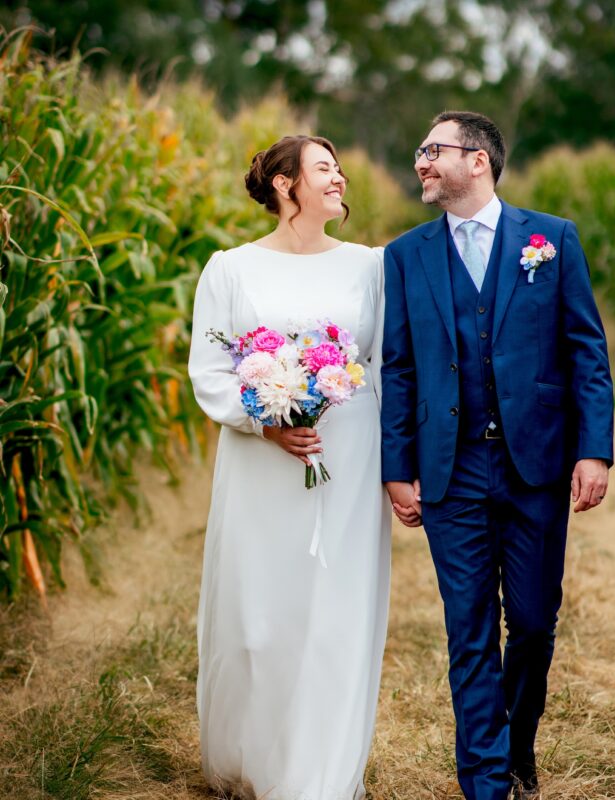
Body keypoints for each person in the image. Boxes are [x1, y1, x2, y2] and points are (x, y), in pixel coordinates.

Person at [381, 111, 614, 800]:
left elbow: (586, 351)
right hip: (449, 470)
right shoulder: (406, 255)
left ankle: (516, 747)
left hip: (535, 463)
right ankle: (486, 783)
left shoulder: (551, 239)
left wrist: (593, 450)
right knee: (470, 630)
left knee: (534, 624)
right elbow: (398, 367)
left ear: (477, 159)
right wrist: (397, 466)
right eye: (420, 151)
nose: (421, 162)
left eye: (433, 149)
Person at [188, 135, 390, 800]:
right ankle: (254, 757)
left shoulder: (370, 267)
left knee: (334, 609)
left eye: (339, 168)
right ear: (284, 184)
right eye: (324, 168)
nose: (339, 179)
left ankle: (317, 774)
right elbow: (210, 370)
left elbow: (383, 367)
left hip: (348, 456)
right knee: (258, 614)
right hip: (259, 460)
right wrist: (266, 422)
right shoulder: (230, 270)